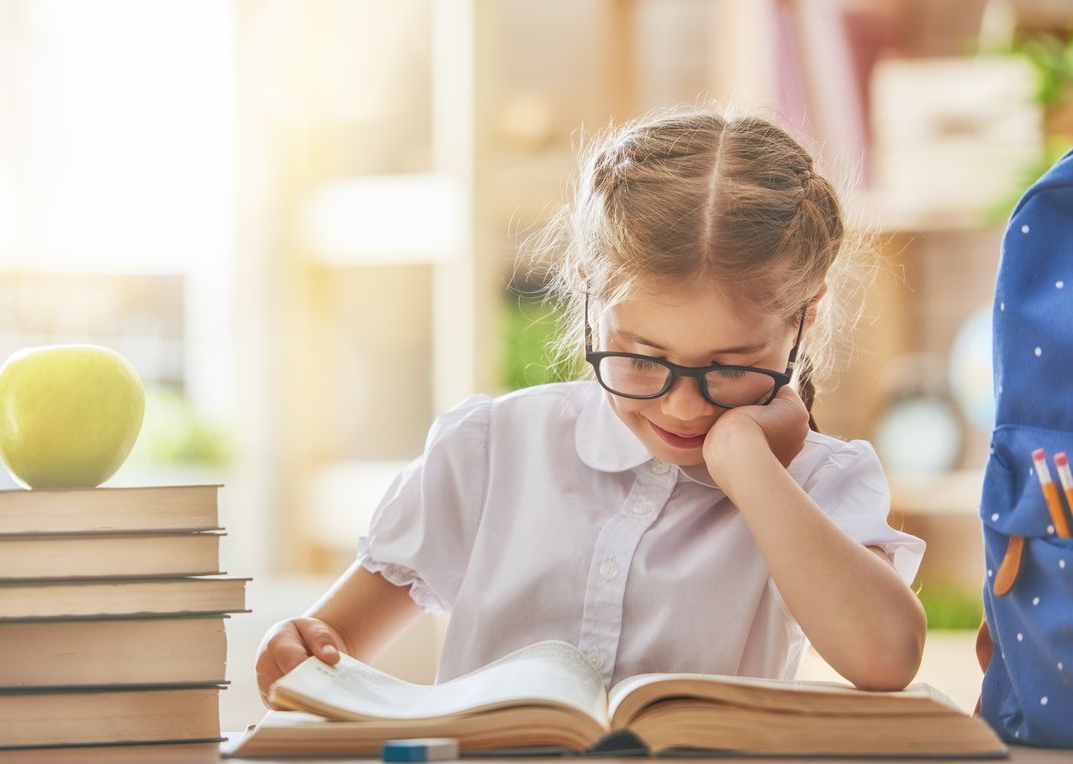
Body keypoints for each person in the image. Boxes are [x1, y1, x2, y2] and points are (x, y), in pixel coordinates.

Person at [255, 109, 927, 703]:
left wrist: (747, 463)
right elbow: (327, 651)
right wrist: (297, 651)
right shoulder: (490, 450)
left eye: (729, 369)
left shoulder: (818, 481)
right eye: (641, 358)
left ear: (804, 321)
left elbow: (885, 657)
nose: (685, 408)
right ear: (584, 289)